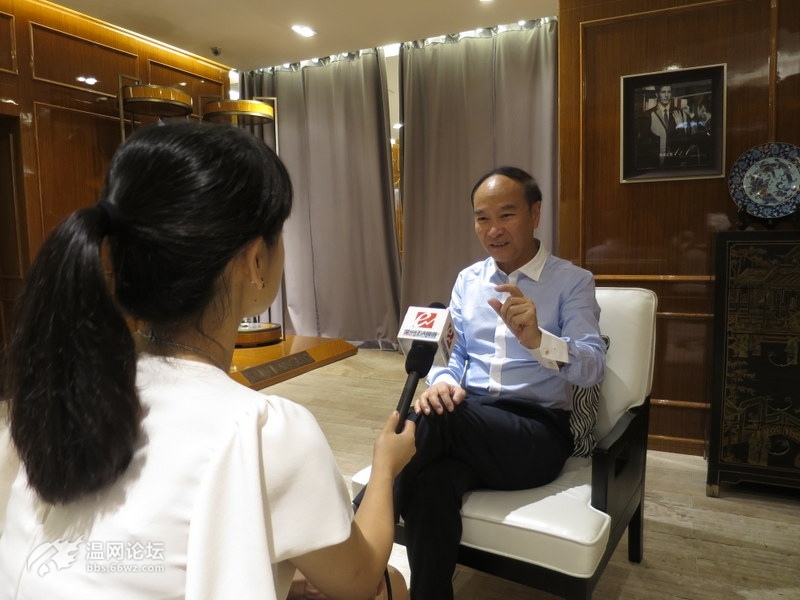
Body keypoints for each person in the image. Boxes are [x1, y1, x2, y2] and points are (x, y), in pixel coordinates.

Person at [0, 121, 416, 599]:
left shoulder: (54, 394)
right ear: (255, 260)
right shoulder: (263, 431)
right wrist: (385, 466)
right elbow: (358, 580)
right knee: (391, 586)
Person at [393, 166, 606, 599]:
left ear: (535, 214)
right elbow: (457, 356)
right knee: (432, 483)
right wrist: (441, 382)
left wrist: (540, 341)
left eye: (506, 215)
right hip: (471, 424)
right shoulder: (468, 280)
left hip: (536, 434)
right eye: (482, 218)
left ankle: (353, 533)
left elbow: (593, 367)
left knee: (435, 420)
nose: (493, 230)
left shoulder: (572, 282)